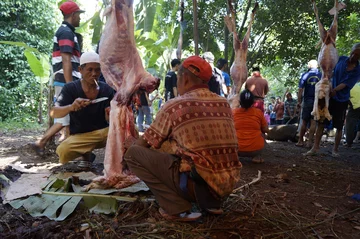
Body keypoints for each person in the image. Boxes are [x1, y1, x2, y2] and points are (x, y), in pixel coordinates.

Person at [124, 56, 242, 221]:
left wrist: (130, 144)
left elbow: (143, 145)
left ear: (184, 78)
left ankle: (176, 208)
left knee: (133, 154)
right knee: (173, 145)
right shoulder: (224, 104)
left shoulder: (175, 105)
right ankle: (211, 203)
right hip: (225, 187)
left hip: (196, 186)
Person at [31, 1, 85, 156]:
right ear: (73, 15)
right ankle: (41, 142)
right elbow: (66, 60)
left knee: (68, 116)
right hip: (65, 79)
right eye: (79, 15)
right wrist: (70, 86)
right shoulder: (66, 33)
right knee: (65, 115)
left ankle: (70, 148)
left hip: (65, 79)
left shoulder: (67, 32)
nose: (80, 19)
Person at [51, 52, 115, 164]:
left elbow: (111, 120)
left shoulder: (107, 90)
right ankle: (87, 155)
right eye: (89, 70)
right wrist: (71, 107)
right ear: (80, 70)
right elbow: (53, 113)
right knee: (63, 151)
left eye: (97, 70)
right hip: (81, 137)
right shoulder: (70, 88)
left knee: (130, 130)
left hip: (104, 133)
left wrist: (110, 115)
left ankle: (120, 164)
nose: (94, 74)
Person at [306, 43, 360, 157]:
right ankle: (315, 148)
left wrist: (334, 90)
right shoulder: (341, 59)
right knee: (321, 122)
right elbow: (329, 71)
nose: (353, 55)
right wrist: (326, 83)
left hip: (341, 99)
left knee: (339, 126)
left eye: (357, 54)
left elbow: (345, 84)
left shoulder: (357, 70)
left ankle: (335, 150)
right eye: (353, 52)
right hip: (328, 96)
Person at [233, 90, 269, 163]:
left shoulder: (233, 112)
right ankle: (257, 157)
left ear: (240, 102)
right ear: (253, 102)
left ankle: (234, 157)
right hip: (255, 150)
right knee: (263, 132)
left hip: (237, 150)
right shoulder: (258, 112)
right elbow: (266, 130)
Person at [296, 60, 321, 147]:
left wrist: (299, 101)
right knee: (314, 121)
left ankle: (300, 141)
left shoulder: (305, 75)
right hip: (318, 101)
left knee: (304, 121)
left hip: (307, 100)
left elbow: (300, 89)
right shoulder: (321, 75)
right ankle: (310, 142)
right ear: (317, 66)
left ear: (309, 66)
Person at [345, 80, 360, 147]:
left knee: (350, 124)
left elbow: (346, 98)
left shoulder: (351, 86)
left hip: (355, 107)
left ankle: (349, 142)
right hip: (355, 106)